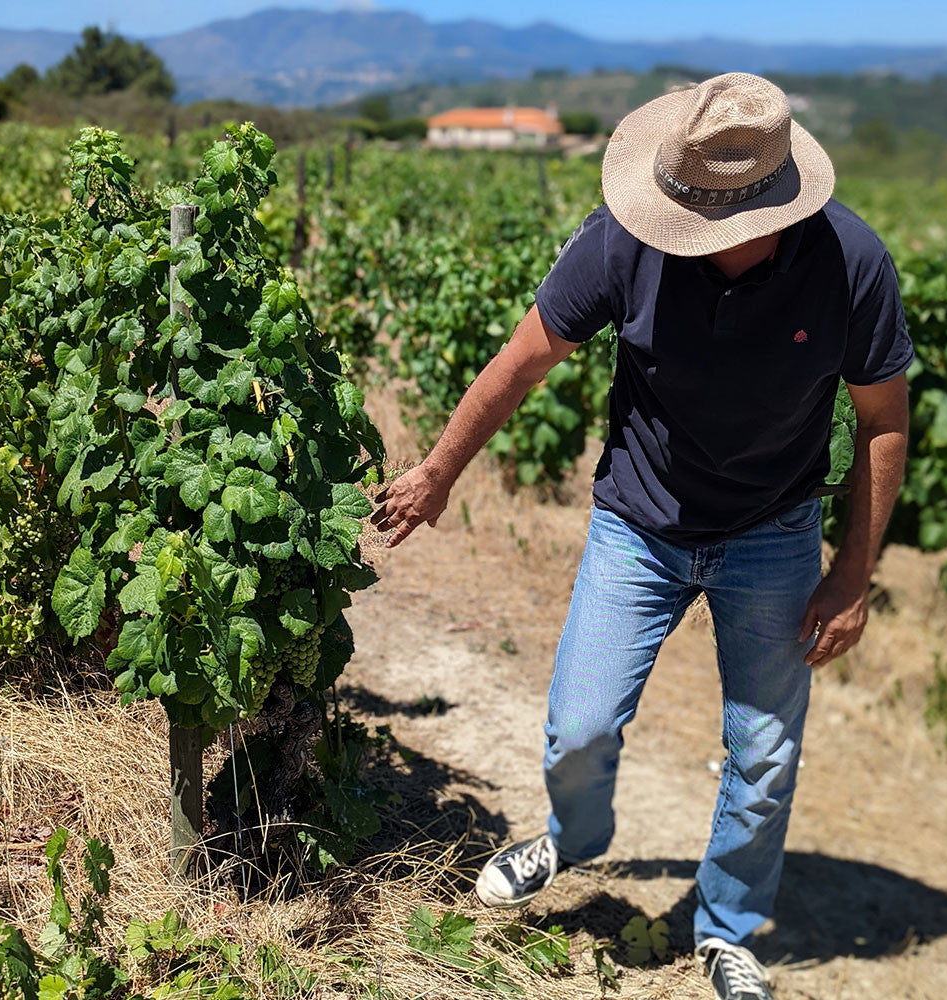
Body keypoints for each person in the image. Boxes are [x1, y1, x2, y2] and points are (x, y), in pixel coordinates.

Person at [369, 73, 912, 1000]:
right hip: (639, 526)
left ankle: (729, 927)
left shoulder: (851, 262)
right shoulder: (625, 238)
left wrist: (852, 571)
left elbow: (884, 421)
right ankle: (572, 840)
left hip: (774, 532)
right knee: (578, 727)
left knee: (764, 748)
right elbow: (522, 358)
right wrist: (440, 472)